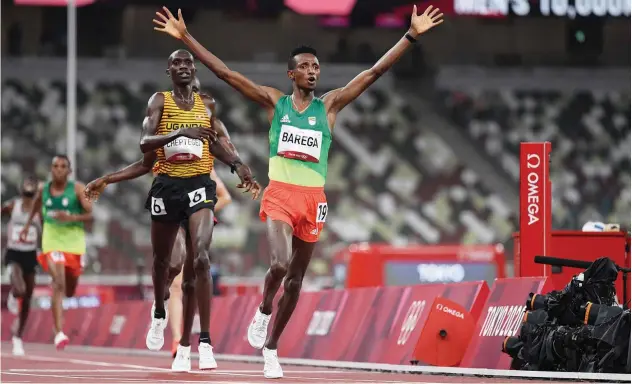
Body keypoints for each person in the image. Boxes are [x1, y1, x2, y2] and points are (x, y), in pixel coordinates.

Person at [153, 5, 444, 378]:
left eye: (316, 67)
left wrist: (410, 35)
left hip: (314, 200)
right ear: (292, 74)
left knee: (295, 280)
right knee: (278, 264)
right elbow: (227, 74)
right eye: (305, 67)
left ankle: (271, 348)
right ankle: (262, 310)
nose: (313, 72)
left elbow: (374, 72)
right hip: (280, 195)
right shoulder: (277, 102)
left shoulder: (331, 106)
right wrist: (186, 38)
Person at [136, 49, 258, 371]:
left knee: (201, 260)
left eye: (188, 63)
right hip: (166, 186)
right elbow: (145, 142)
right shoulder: (159, 101)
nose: (183, 67)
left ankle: (204, 343)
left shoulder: (208, 104)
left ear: (194, 69)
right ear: (169, 70)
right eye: (176, 63)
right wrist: (179, 132)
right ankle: (159, 312)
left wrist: (237, 163)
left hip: (199, 185)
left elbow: (214, 141)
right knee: (164, 263)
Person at [20, 155, 93, 350]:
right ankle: (59, 332)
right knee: (58, 282)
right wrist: (27, 227)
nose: (59, 169)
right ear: (51, 169)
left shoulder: (77, 189)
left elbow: (89, 214)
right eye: (55, 166)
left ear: (68, 171)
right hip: (52, 241)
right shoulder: (44, 189)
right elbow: (36, 208)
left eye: (63, 166)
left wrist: (69, 217)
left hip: (74, 243)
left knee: (69, 290)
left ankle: (70, 284)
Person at [2, 176, 42, 356]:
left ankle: (18, 338)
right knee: (20, 289)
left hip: (30, 255)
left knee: (27, 298)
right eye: (26, 183)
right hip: (14, 253)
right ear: (21, 189)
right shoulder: (13, 206)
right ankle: (13, 293)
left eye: (31, 184)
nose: (29, 186)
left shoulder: (40, 210)